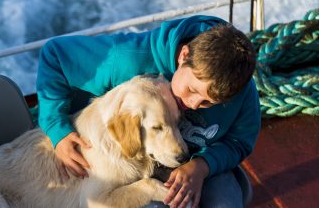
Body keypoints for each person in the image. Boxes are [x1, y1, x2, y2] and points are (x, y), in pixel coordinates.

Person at [36, 15, 260, 208]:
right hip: (133, 163)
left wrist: (202, 166)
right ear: (183, 56)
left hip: (205, 162)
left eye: (208, 103)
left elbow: (239, 142)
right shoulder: (128, 58)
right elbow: (54, 54)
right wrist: (57, 128)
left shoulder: (239, 89)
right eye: (191, 89)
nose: (192, 104)